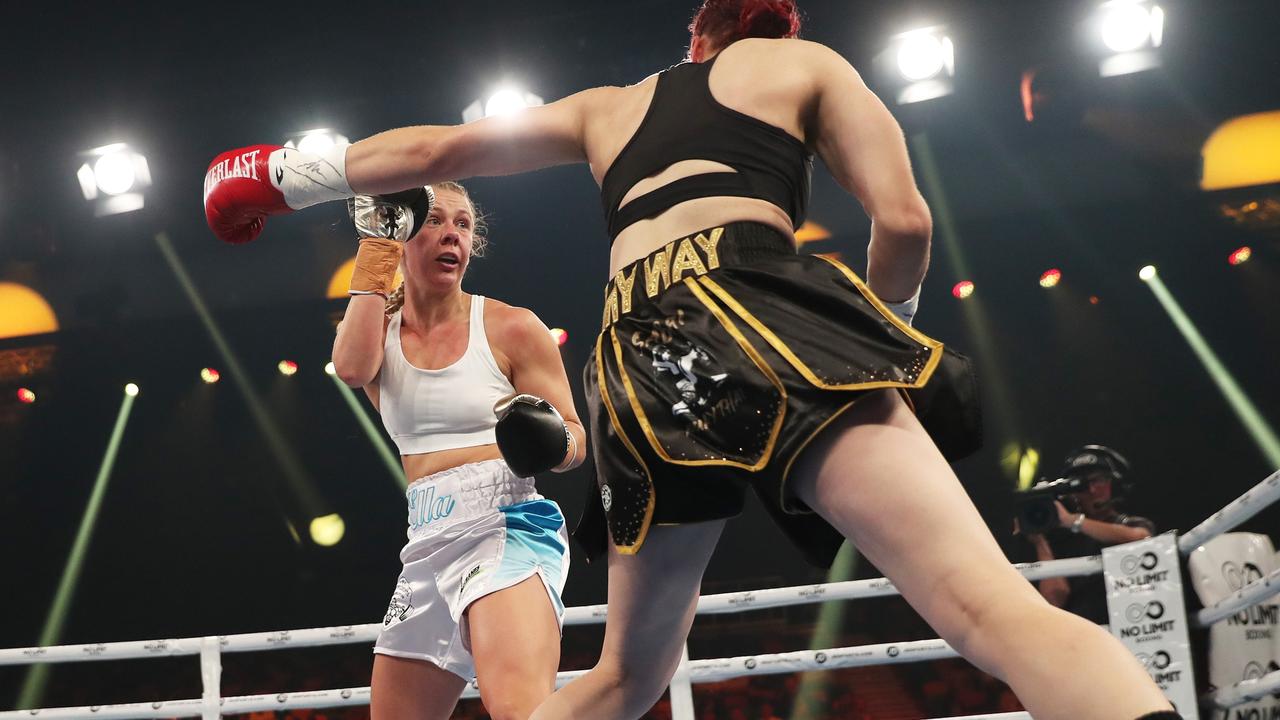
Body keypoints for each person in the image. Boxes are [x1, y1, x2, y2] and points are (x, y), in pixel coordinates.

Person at [203, 2, 1181, 718]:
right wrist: (879, 334)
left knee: (623, 681)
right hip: (767, 306)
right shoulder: (807, 68)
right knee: (984, 608)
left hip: (644, 355)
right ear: (777, 30)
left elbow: (430, 148)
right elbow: (904, 221)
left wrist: (273, 177)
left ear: (695, 38)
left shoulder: (606, 105)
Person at [330, 182, 586, 720]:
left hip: (506, 525)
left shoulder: (512, 326)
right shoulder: (379, 336)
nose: (452, 234)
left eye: (464, 224)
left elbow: (575, 440)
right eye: (435, 221)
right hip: (425, 539)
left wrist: (548, 442)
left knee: (521, 711)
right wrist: (377, 244)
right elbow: (351, 369)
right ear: (402, 232)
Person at [1020, 445, 1156, 623]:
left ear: (1113, 484)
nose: (1092, 490)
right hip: (1086, 635)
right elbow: (1054, 601)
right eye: (1082, 485)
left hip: (1131, 627)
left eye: (1099, 480)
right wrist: (1040, 542)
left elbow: (1142, 538)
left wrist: (1073, 521)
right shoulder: (1062, 539)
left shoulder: (1129, 524)